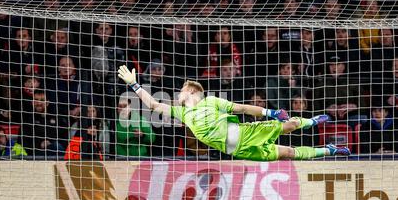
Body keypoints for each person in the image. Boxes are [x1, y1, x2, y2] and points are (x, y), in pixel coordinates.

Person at [118, 65, 350, 161]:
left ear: (190, 91)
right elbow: (153, 105)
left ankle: (312, 121)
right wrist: (134, 84)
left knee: (288, 126)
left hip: (240, 133)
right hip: (236, 149)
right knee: (288, 152)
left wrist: (270, 112)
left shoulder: (210, 100)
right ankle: (328, 150)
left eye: (180, 90)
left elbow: (241, 108)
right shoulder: (181, 112)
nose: (177, 94)